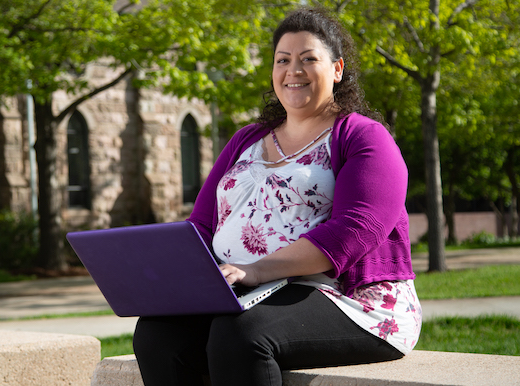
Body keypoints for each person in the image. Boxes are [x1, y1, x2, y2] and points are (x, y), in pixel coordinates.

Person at [132, 7, 422, 386]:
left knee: (242, 335)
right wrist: (177, 276)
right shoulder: (247, 139)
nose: (293, 70)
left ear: (337, 69)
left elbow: (357, 230)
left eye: (308, 59)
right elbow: (202, 225)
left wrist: (258, 269)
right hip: (246, 290)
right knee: (157, 335)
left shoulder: (363, 137)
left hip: (348, 299)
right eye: (283, 60)